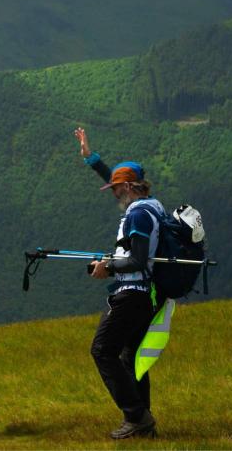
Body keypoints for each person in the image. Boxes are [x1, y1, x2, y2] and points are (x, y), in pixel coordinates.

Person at [75, 127, 161, 439]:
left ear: (128, 188)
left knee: (102, 350)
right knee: (130, 356)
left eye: (115, 189)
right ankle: (143, 420)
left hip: (131, 294)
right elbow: (116, 177)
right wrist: (91, 159)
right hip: (146, 295)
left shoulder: (137, 216)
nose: (112, 192)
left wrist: (107, 267)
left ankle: (137, 417)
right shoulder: (151, 205)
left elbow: (137, 260)